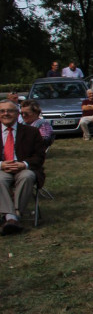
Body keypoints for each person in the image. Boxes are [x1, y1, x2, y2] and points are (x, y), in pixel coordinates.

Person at [0, 99, 46, 236]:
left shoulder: (31, 132)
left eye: (10, 111)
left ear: (17, 113)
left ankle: (10, 217)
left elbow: (39, 156)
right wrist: (1, 164)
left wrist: (24, 164)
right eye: (2, 111)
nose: (6, 114)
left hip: (24, 169)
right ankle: (13, 218)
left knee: (28, 176)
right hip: (2, 170)